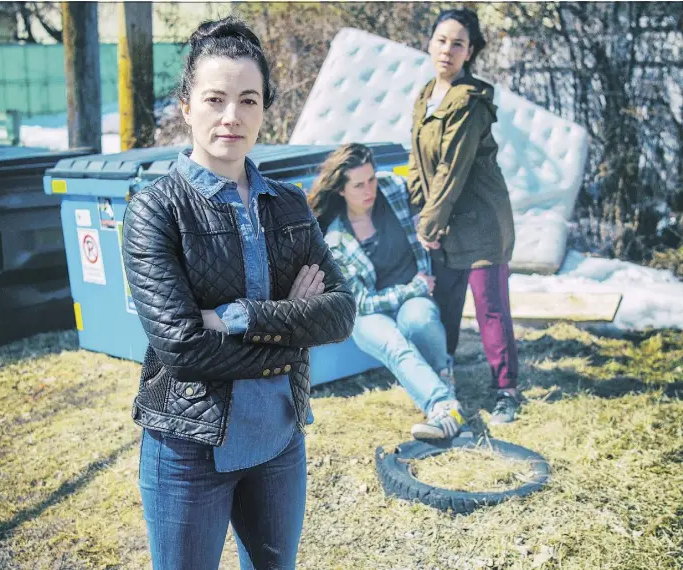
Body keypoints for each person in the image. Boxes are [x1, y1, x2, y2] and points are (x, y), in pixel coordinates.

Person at [121, 17, 356, 570]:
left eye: (249, 100)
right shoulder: (156, 210)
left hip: (278, 441)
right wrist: (294, 329)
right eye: (215, 98)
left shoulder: (290, 205)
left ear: (265, 109)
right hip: (188, 448)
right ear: (186, 106)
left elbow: (342, 313)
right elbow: (182, 349)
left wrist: (238, 316)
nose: (232, 116)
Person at [309, 143, 468, 441]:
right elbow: (362, 302)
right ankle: (443, 406)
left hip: (414, 299)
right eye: (358, 185)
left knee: (419, 319)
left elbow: (428, 196)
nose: (369, 189)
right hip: (367, 313)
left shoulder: (393, 189)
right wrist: (413, 288)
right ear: (341, 190)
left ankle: (443, 381)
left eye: (372, 179)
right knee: (394, 344)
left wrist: (428, 223)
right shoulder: (337, 238)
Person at [407, 8, 520, 424]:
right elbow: (419, 163)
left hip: (481, 220)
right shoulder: (426, 96)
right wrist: (421, 215)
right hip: (444, 219)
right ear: (430, 42)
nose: (448, 50)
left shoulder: (469, 100)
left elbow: (452, 168)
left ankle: (506, 389)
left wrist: (428, 224)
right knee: (444, 304)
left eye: (458, 43)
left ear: (470, 51)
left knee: (489, 307)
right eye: (442, 40)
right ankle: (443, 379)